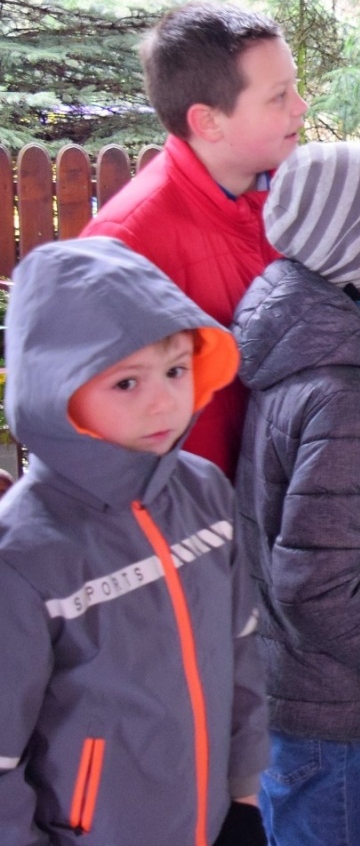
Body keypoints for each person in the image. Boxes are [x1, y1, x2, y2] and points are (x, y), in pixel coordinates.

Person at [0, 237, 269, 846]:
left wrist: (243, 795)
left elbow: (241, 649)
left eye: (176, 370)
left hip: (218, 821)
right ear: (55, 390)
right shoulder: (22, 556)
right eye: (126, 383)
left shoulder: (204, 492)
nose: (163, 400)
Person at [232, 144, 360, 846]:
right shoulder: (338, 392)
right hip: (331, 708)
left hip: (302, 693)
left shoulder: (304, 351)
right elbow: (316, 585)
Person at [84, 2, 307, 477]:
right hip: (198, 523)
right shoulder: (126, 242)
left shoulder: (297, 198)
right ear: (208, 121)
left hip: (286, 504)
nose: (301, 106)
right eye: (279, 95)